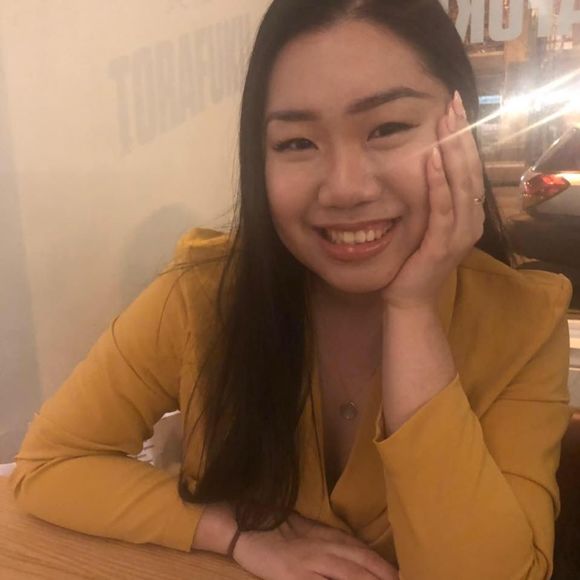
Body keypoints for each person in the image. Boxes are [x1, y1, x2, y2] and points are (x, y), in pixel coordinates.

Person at [9, 1, 573, 579]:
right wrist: (236, 532)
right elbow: (51, 463)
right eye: (297, 143)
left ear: (462, 130)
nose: (345, 188)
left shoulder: (524, 322)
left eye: (387, 128)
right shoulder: (204, 292)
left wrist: (412, 310)